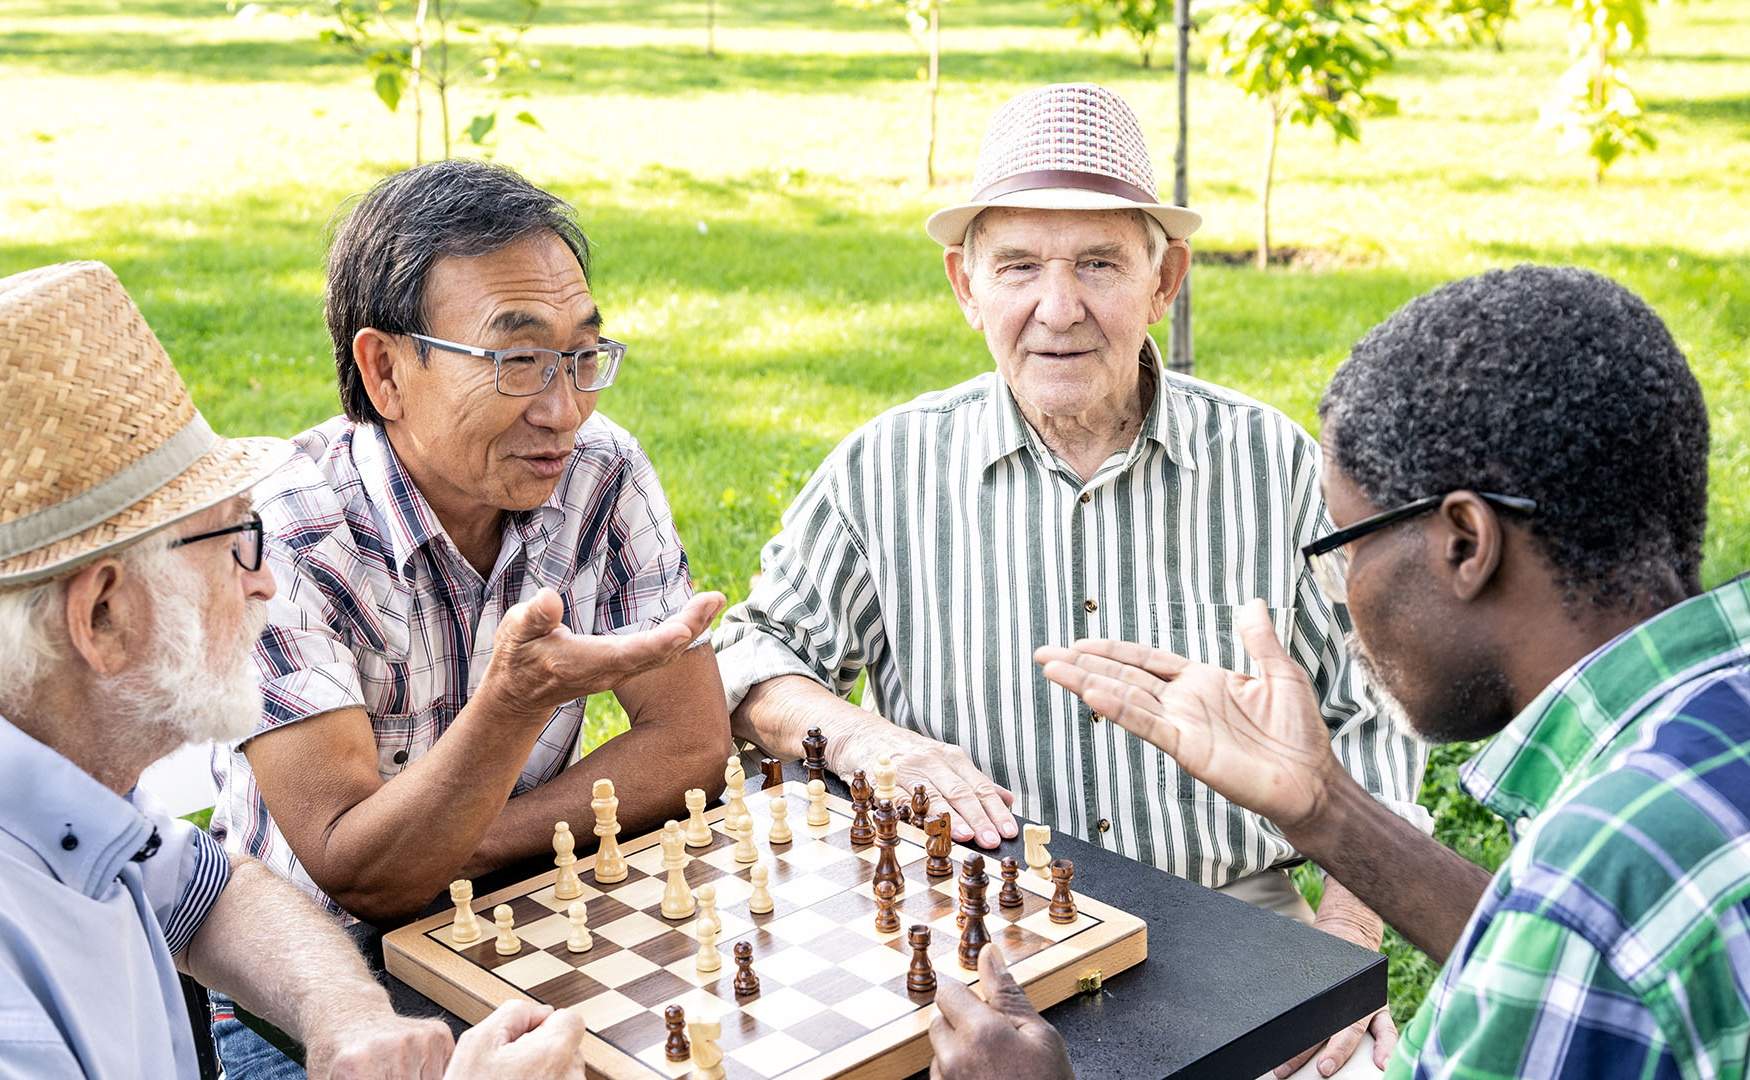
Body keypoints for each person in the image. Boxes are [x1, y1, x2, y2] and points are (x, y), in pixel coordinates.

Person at [714, 83, 1420, 1075]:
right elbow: (749, 657)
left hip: (1241, 930)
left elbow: (1373, 709)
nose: (1058, 308)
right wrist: (869, 740)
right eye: (1019, 267)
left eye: (1098, 264)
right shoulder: (887, 468)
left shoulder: (1274, 463)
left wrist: (1343, 943)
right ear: (966, 284)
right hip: (970, 941)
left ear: (1163, 279)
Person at [0, 261, 584, 1079]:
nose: (265, 579)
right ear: (102, 617)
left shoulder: (8, 741)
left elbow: (205, 892)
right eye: (235, 540)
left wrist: (348, 1011)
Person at [1038, 265, 1746, 1078]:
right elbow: (1577, 949)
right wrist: (1326, 808)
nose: (1346, 598)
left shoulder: (1597, 881)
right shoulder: (1696, 745)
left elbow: (1576, 929)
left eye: (1345, 548)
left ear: (1465, 546)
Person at [207, 160, 729, 1071]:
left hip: (521, 925)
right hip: (313, 999)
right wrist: (514, 706)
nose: (563, 409)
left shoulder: (600, 470)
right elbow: (358, 871)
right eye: (517, 359)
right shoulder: (283, 532)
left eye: (581, 354)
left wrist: (457, 841)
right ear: (385, 370)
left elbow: (691, 744)